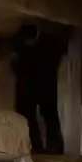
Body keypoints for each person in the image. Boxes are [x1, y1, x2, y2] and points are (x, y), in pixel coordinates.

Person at [11, 23, 65, 154]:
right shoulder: (21, 46)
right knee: (34, 117)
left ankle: (51, 148)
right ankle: (38, 148)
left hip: (42, 85)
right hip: (32, 86)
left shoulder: (46, 44)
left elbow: (15, 65)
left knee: (48, 115)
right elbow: (15, 65)